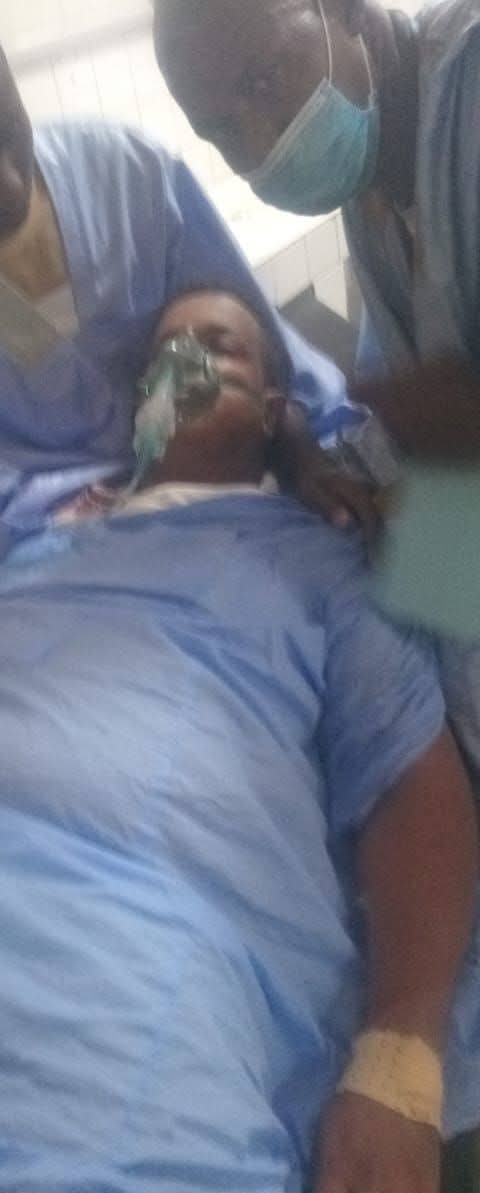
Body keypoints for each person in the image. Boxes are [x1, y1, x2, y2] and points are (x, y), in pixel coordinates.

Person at [0, 290, 479, 1193]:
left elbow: (418, 788)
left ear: (274, 407)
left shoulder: (319, 559)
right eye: (165, 354)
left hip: (106, 1014)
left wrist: (399, 1061)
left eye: (220, 347)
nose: (187, 363)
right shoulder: (39, 539)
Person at [0, 0, 362, 659]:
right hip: (51, 613)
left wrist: (302, 456)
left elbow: (252, 342)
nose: (5, 184)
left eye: (10, 133)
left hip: (229, 519)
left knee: (365, 645)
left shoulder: (128, 175)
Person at [153, 0, 480, 773]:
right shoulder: (373, 176)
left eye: (263, 82)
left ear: (348, 11)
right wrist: (324, 465)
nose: (260, 144)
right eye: (221, 131)